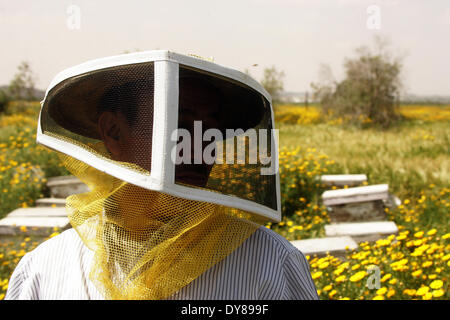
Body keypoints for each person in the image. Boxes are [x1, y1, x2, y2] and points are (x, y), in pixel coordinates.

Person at [5, 52, 319, 300]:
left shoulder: (270, 263)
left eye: (211, 128)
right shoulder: (45, 269)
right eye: (181, 121)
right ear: (114, 131)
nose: (200, 142)